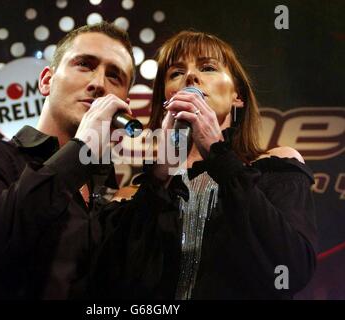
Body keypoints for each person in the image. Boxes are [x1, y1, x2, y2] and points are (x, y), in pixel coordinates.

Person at [0, 21, 160, 299]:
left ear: (125, 102)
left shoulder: (105, 194)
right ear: (46, 81)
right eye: (85, 65)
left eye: (115, 76)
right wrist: (81, 152)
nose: (98, 83)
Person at [98, 30, 318, 299]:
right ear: (165, 100)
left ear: (237, 95)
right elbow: (113, 284)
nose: (190, 77)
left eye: (208, 67)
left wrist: (219, 154)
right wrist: (159, 174)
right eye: (176, 73)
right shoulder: (142, 192)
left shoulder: (273, 166)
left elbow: (293, 269)